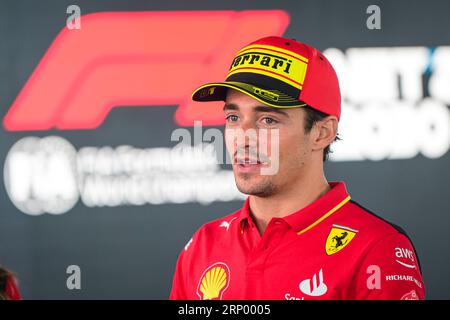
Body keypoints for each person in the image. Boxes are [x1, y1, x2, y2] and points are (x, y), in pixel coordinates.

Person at [169, 36, 425, 300]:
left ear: (322, 133)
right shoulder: (202, 245)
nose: (243, 137)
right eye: (233, 118)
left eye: (268, 120)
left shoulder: (377, 249)